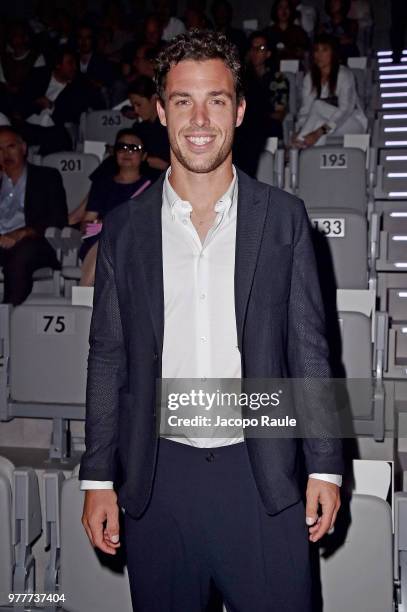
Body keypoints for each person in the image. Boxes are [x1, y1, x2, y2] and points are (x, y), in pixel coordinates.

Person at [80, 29, 342, 612]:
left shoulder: (284, 219)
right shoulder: (125, 228)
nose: (200, 118)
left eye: (216, 100)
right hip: (158, 479)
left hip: (263, 477)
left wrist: (326, 464)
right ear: (161, 111)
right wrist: (97, 478)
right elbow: (107, 356)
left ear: (240, 109)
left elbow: (310, 348)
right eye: (183, 101)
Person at [0, 126, 67, 305]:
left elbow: (58, 219)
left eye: (10, 146)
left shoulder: (46, 177)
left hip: (33, 242)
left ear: (23, 148)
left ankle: (7, 318)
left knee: (21, 254)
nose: (5, 154)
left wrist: (21, 233)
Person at [78, 128, 151, 287]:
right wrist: (97, 225)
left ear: (144, 156)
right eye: (122, 147)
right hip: (99, 241)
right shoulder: (102, 184)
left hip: (135, 244)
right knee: (105, 243)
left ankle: (86, 295)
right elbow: (86, 223)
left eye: (134, 148)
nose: (127, 152)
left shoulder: (152, 189)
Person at [16, 45, 94, 155]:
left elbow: (74, 114)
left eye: (75, 63)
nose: (75, 67)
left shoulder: (79, 86)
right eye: (70, 63)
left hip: (55, 129)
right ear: (58, 65)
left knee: (57, 138)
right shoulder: (38, 76)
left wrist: (51, 106)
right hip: (29, 126)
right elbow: (21, 100)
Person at [293, 33, 367, 148]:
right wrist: (302, 128)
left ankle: (294, 150)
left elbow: (344, 111)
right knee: (317, 123)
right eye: (316, 50)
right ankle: (306, 160)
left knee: (318, 105)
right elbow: (305, 111)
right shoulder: (309, 77)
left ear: (333, 53)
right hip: (324, 125)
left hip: (351, 123)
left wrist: (318, 132)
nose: (319, 55)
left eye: (324, 50)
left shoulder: (345, 74)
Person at [234, 30, 288, 176]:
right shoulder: (241, 79)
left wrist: (256, 114)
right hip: (245, 128)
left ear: (269, 54)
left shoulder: (278, 79)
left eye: (261, 48)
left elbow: (279, 113)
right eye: (253, 48)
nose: (256, 52)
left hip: (266, 126)